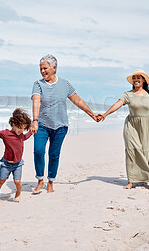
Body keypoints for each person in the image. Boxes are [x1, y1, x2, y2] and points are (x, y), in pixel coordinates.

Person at [30, 54, 100, 193]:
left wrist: (91, 114)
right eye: (41, 68)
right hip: (42, 124)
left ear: (54, 68)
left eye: (45, 68)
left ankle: (50, 181)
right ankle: (40, 180)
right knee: (38, 151)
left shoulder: (64, 84)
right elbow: (36, 101)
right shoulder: (38, 84)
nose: (42, 71)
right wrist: (35, 120)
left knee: (54, 154)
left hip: (60, 126)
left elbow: (77, 100)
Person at [99, 69, 149, 189]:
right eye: (134, 78)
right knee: (131, 150)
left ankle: (142, 175)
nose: (136, 80)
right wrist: (105, 114)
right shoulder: (127, 94)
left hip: (146, 124)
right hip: (131, 124)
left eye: (138, 77)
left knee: (146, 151)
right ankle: (130, 180)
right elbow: (117, 104)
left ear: (143, 80)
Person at [0, 108, 32, 202]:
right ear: (13, 124)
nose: (22, 131)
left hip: (18, 164)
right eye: (20, 128)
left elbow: (27, 136)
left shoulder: (21, 136)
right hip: (6, 164)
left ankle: (18, 193)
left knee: (17, 181)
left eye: (24, 129)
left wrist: (32, 131)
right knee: (1, 180)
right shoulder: (6, 134)